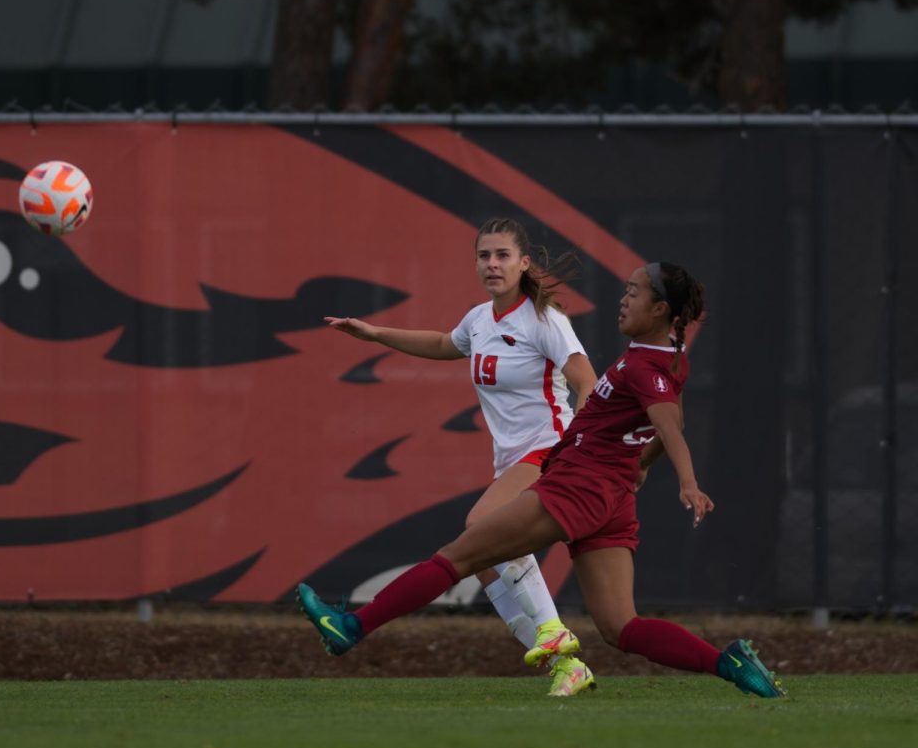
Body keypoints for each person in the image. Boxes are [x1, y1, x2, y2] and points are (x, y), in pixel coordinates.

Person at [301, 261, 787, 699]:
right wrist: (641, 465)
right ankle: (728, 663)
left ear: (661, 308)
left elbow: (670, 425)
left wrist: (686, 482)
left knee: (460, 555)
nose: (624, 298)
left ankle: (352, 626)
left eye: (635, 292)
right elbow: (670, 415)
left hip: (578, 487)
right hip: (610, 497)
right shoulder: (666, 359)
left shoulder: (642, 364)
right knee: (621, 627)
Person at [324, 217, 599, 697]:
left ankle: (556, 637)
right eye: (484, 256)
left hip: (550, 450)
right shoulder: (479, 320)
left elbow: (586, 382)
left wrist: (579, 444)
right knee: (487, 559)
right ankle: (562, 664)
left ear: (524, 263)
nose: (492, 264)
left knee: (481, 527)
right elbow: (441, 344)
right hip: (512, 461)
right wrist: (373, 334)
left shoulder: (545, 320)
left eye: (502, 255)